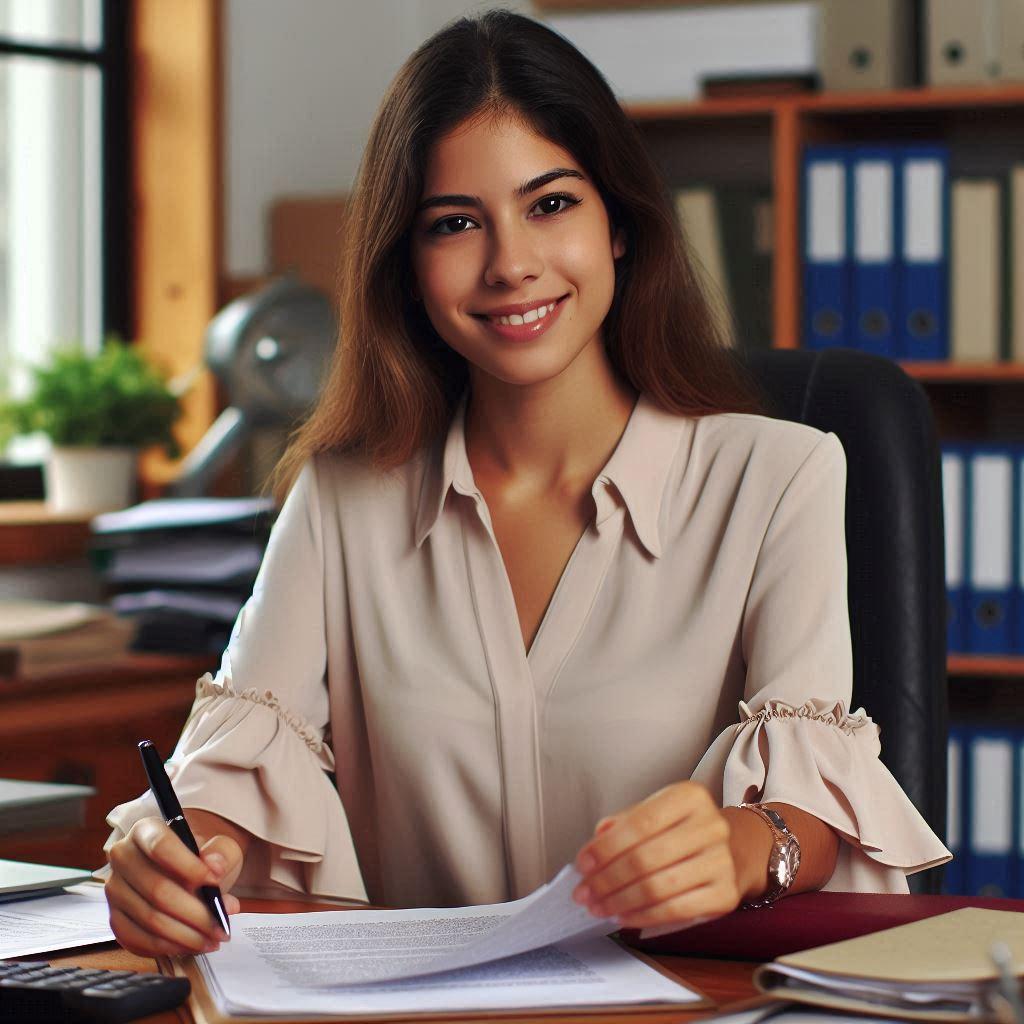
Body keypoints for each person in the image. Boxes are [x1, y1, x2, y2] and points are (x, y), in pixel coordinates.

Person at [102, 9, 949, 959]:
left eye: (551, 204)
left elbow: (815, 806)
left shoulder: (780, 475)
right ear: (408, 264)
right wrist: (174, 856)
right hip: (421, 1017)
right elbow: (227, 783)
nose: (511, 264)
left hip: (681, 1009)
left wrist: (747, 845)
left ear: (619, 223)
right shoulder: (343, 498)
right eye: (456, 223)